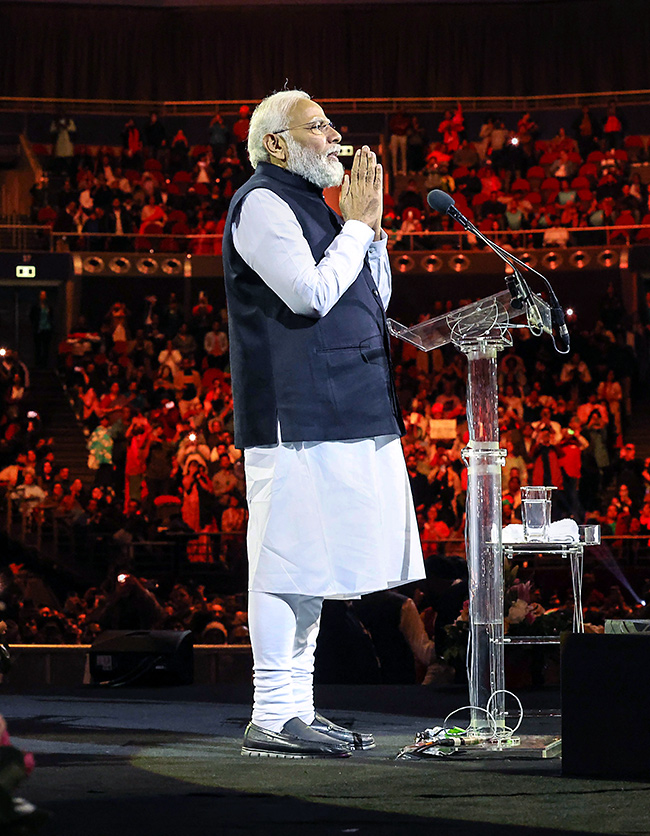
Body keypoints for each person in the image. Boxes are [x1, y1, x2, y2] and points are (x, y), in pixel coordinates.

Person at [223, 89, 425, 758]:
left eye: (331, 124)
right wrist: (360, 226)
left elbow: (372, 298)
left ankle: (297, 709)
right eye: (317, 127)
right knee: (284, 566)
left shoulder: (317, 205)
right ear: (276, 144)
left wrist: (370, 227)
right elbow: (308, 295)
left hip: (339, 408)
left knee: (310, 567)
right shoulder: (261, 203)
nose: (334, 136)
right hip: (291, 414)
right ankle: (273, 712)